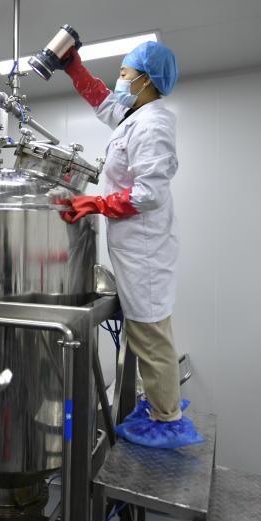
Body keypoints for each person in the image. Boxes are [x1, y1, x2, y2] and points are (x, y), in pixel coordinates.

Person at [57, 40, 202, 449]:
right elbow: (104, 102)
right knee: (145, 332)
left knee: (151, 334)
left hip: (146, 251)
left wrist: (97, 203)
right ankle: (158, 407)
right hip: (134, 248)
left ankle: (168, 419)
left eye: (124, 74)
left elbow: (148, 194)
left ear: (146, 80)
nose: (119, 80)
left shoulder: (153, 125)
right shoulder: (134, 117)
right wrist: (74, 68)